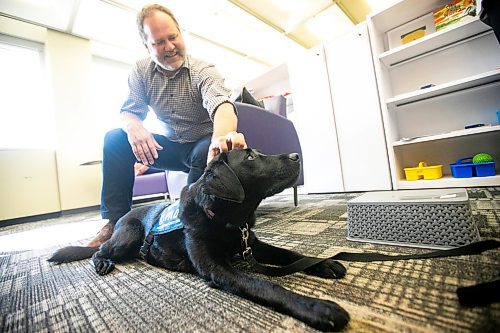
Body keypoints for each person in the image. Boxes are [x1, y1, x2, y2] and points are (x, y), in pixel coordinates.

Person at [88, 4, 247, 246]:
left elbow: (221, 104)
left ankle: (193, 224)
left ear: (180, 34)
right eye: (159, 42)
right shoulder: (141, 72)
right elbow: (130, 111)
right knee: (114, 139)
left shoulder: (203, 70)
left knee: (204, 150)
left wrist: (221, 136)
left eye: (173, 37)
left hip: (202, 142)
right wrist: (134, 127)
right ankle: (115, 223)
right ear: (146, 46)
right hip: (170, 146)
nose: (169, 47)